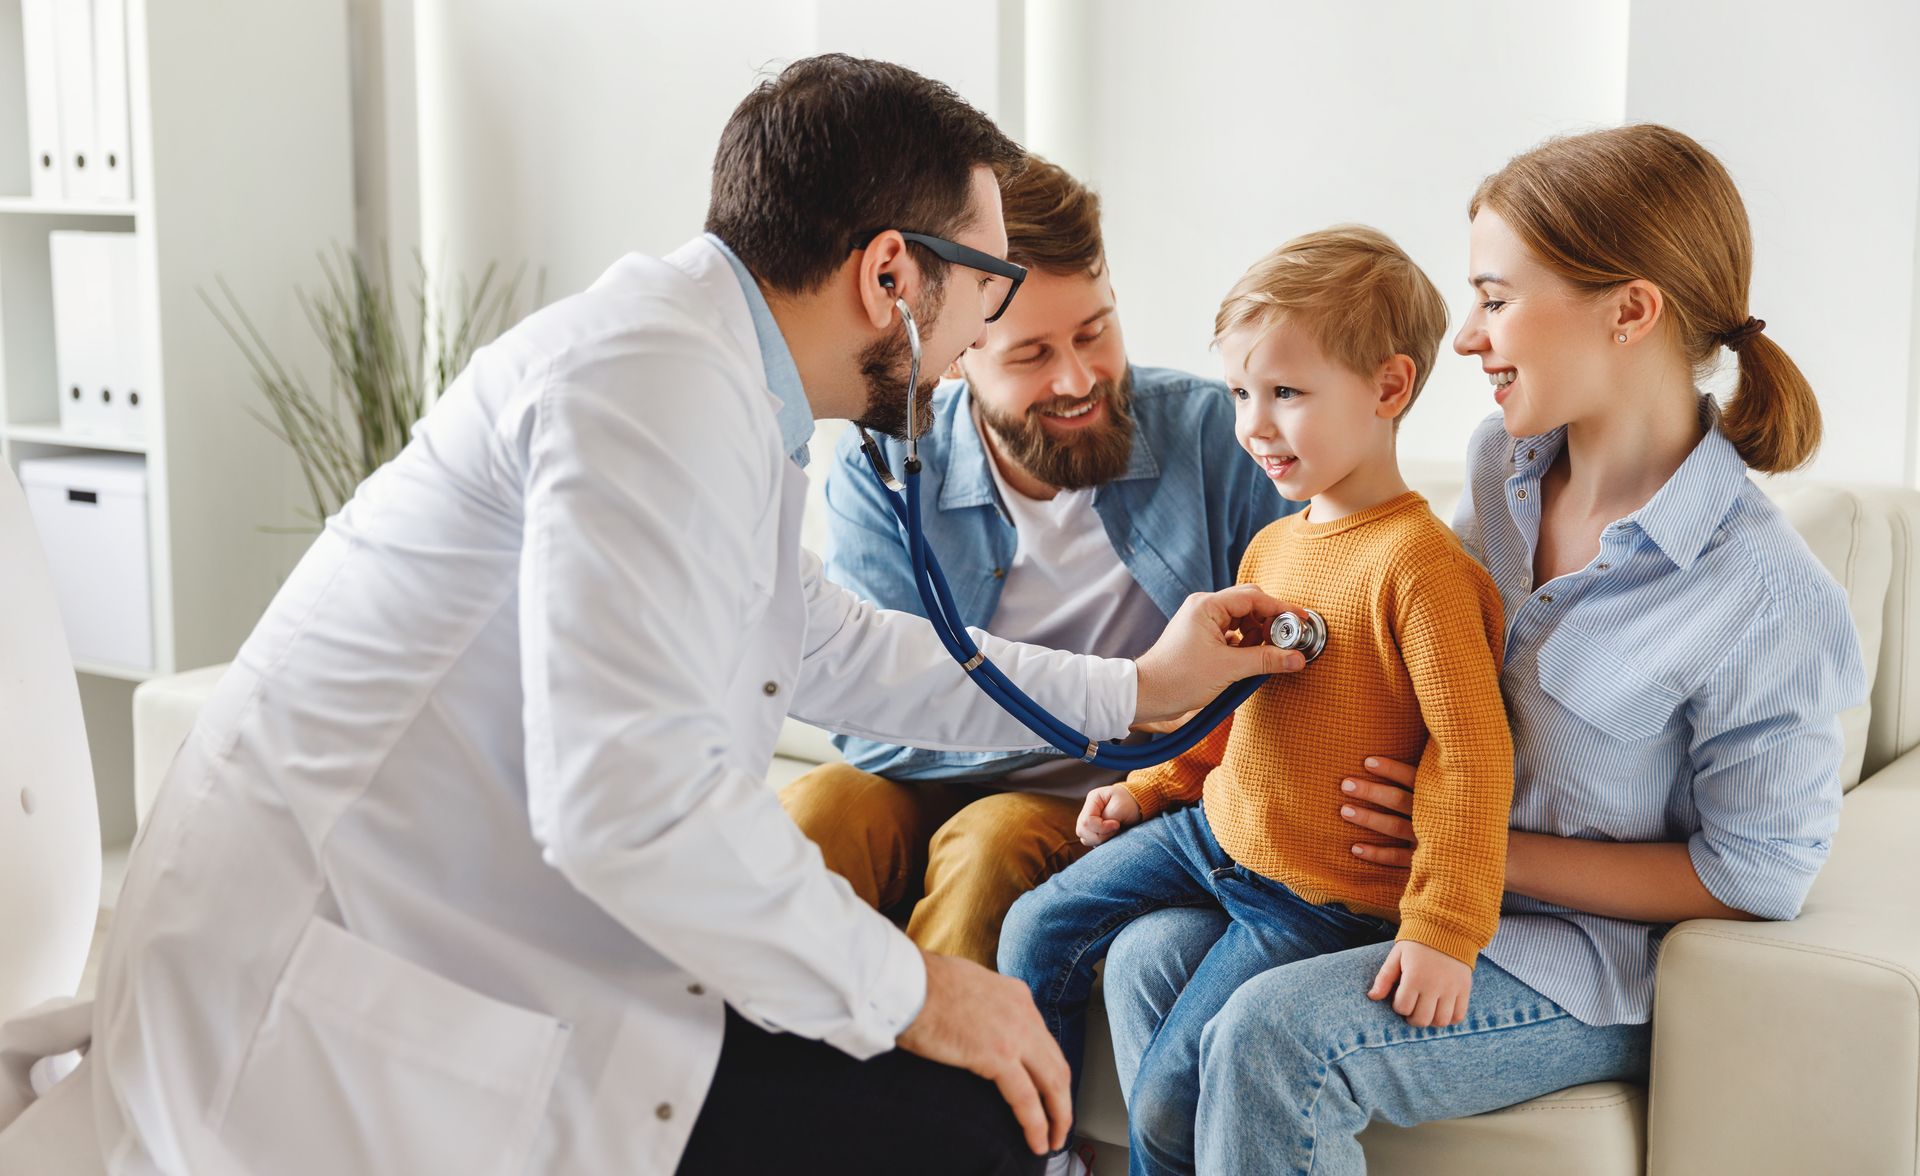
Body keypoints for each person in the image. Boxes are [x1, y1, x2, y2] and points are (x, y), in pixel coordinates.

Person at [82, 55, 1306, 1176]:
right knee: (962, 1126)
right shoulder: (654, 389)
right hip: (352, 986)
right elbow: (626, 803)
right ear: (891, 275)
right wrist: (917, 989)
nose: (981, 336)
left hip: (470, 938)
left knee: (956, 1120)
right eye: (983, 291)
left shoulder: (711, 376)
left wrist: (1139, 688)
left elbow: (819, 640)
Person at [1100, 124, 1870, 1176]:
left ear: (1629, 311)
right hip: (1406, 894)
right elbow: (1425, 673)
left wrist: (1476, 859)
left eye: (1495, 297)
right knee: (1145, 955)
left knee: (1275, 1039)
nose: (1466, 337)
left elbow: (1757, 876)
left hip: (1574, 965)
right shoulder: (1503, 467)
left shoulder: (1766, 597)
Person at [998, 226, 1516, 1176]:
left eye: (1285, 393)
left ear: (1389, 389)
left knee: (1167, 1097)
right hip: (1220, 834)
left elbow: (1472, 758)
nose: (1253, 426)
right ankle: (1036, 1156)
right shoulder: (1273, 548)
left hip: (1315, 898)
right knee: (1035, 922)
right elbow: (1232, 712)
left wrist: (1444, 928)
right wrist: (1150, 788)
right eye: (1241, 393)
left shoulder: (1423, 571)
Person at [779, 156, 1299, 971]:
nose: (1079, 379)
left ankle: (938, 1101)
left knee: (990, 838)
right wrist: (1121, 705)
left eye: (1095, 332)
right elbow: (870, 728)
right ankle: (750, 1089)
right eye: (1030, 356)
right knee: (816, 810)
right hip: (936, 774)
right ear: (956, 355)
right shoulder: (880, 462)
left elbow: (1321, 618)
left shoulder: (1217, 437)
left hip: (1113, 801)